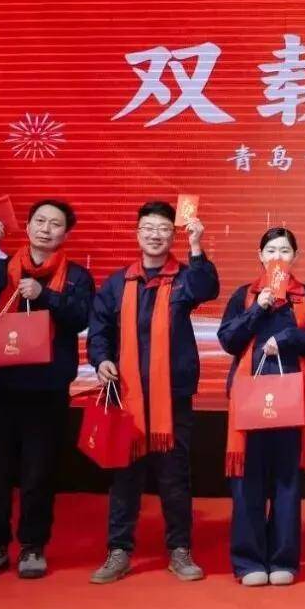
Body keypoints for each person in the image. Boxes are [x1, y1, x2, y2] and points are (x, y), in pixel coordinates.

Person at [0, 200, 94, 579]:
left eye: (55, 224)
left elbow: (81, 317)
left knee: (39, 472)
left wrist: (44, 294)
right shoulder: (1, 267)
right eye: (40, 221)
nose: (46, 229)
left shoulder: (76, 276)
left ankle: (33, 546)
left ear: (65, 233)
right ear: (29, 225)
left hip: (46, 388)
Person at [86, 200, 219, 583]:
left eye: (163, 229)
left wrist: (196, 246)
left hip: (171, 396)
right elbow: (100, 331)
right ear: (137, 233)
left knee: (174, 477)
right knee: (124, 477)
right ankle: (118, 551)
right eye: (148, 228)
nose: (155, 235)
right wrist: (101, 360)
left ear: (172, 235)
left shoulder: (183, 279)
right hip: (127, 395)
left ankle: (180, 549)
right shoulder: (118, 283)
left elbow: (207, 288)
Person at [218, 228, 305, 586]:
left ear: (295, 257)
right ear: (260, 256)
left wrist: (289, 337)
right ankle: (248, 561)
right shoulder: (245, 295)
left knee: (286, 482)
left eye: (284, 250)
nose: (277, 256)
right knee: (247, 482)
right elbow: (228, 340)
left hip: (293, 402)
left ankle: (283, 559)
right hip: (249, 400)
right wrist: (258, 308)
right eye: (270, 250)